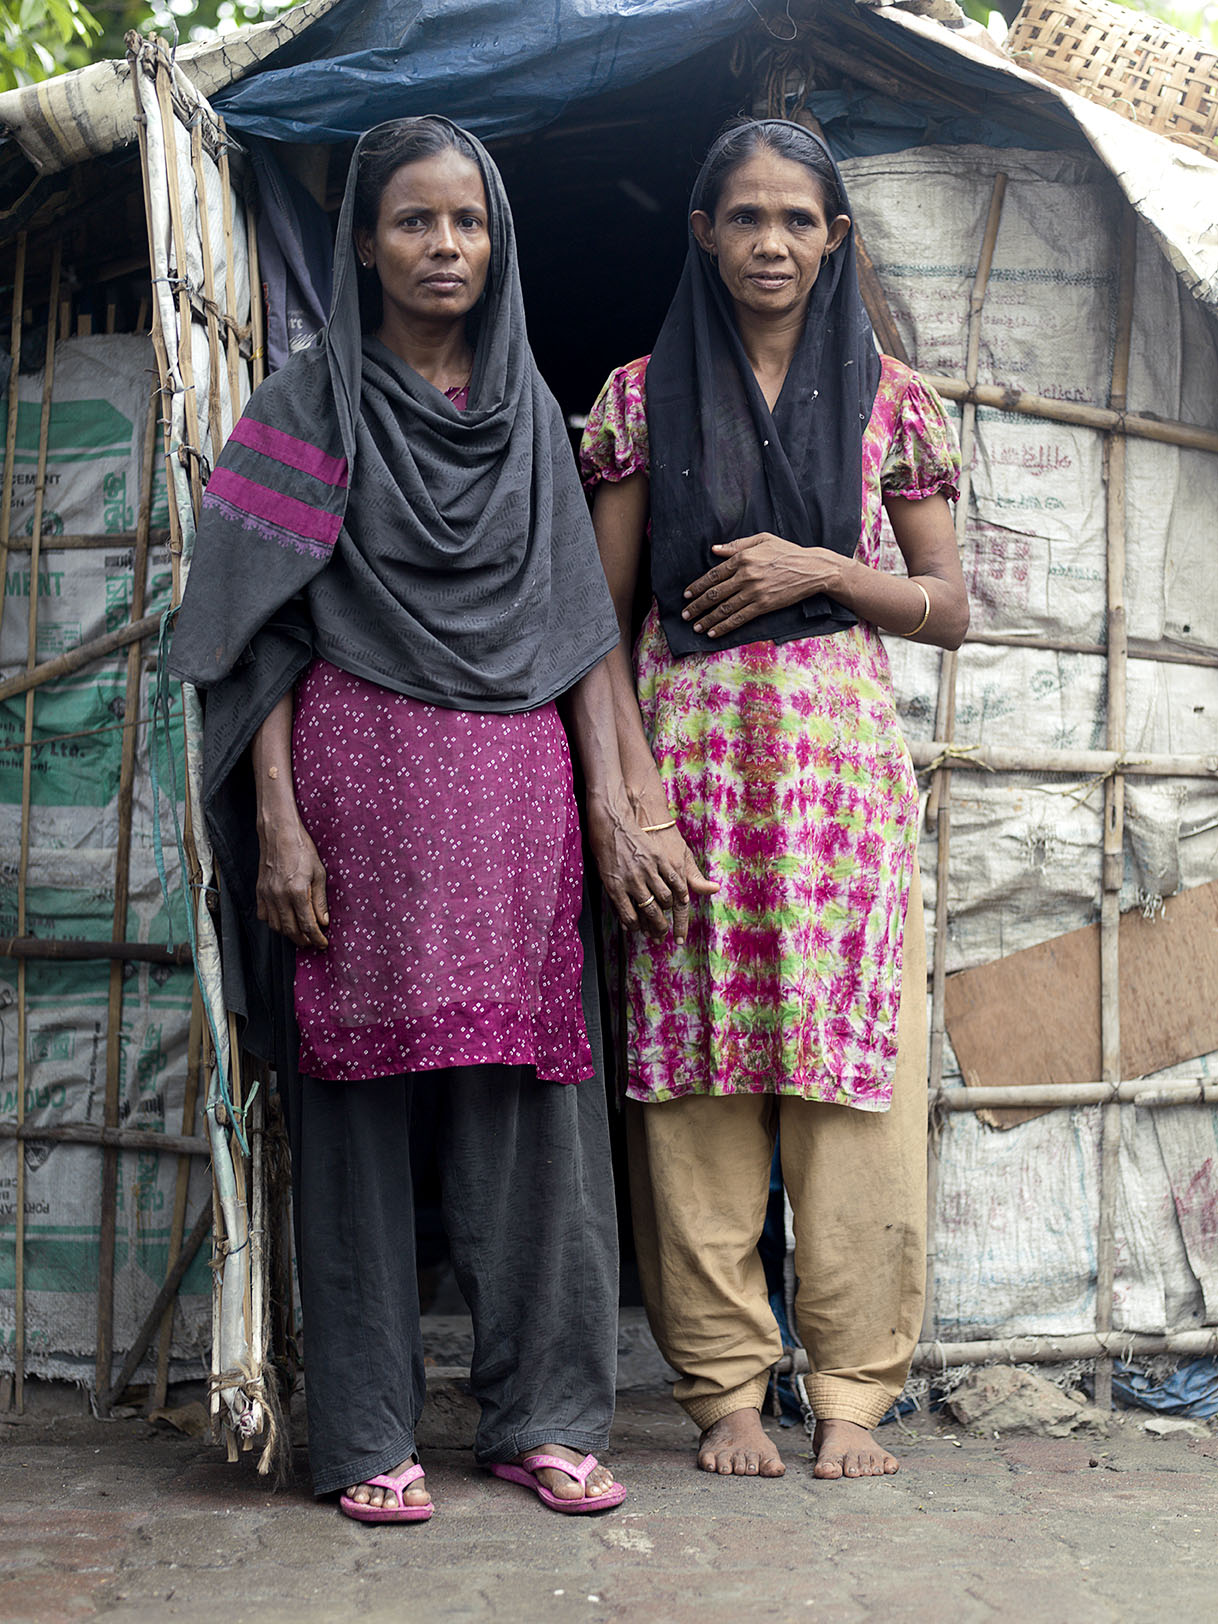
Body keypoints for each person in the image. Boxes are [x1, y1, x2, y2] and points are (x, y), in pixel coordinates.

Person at [169, 117, 628, 1522]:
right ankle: (369, 1432)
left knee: (531, 1115)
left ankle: (542, 1418)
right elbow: (253, 634)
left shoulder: (531, 419)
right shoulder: (305, 407)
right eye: (415, 221)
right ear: (364, 242)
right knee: (356, 1117)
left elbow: (576, 627)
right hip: (352, 813)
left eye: (468, 222)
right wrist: (279, 822)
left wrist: (618, 801)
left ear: (498, 244)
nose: (444, 247)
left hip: (515, 808)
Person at [578, 117, 968, 1482]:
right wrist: (632, 803)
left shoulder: (893, 401)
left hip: (839, 798)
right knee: (693, 1090)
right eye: (743, 217)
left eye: (797, 220)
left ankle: (853, 1388)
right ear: (703, 234)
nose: (770, 243)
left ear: (834, 237)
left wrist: (824, 569)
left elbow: (948, 607)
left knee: (852, 1093)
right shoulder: (637, 398)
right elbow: (598, 625)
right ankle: (723, 1388)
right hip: (690, 782)